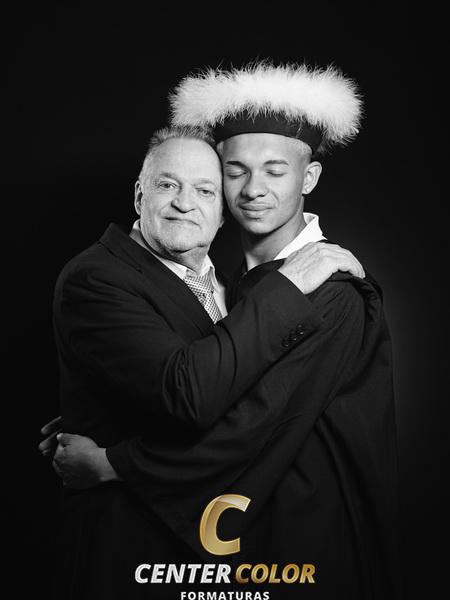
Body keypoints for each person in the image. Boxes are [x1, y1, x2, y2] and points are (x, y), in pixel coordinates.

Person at [42, 62, 400, 598]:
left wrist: (113, 462)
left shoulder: (331, 290)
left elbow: (253, 421)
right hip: (229, 544)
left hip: (305, 538)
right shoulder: (238, 285)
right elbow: (214, 377)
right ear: (141, 194)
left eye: (275, 171)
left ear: (308, 178)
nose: (253, 190)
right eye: (235, 172)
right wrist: (100, 406)